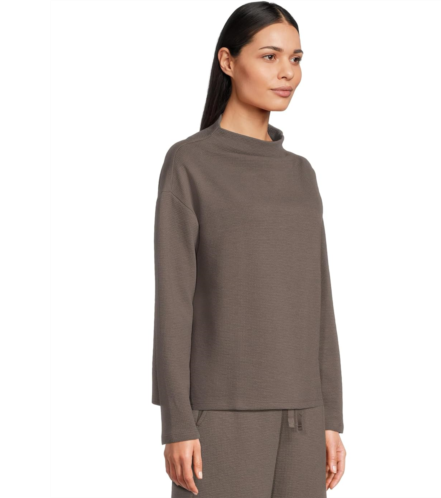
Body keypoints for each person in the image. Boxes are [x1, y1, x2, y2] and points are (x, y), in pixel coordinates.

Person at [152, 2, 346, 496]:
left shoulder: (300, 173)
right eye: (270, 56)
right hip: (220, 417)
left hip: (304, 416)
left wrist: (331, 416)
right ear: (228, 61)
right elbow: (174, 301)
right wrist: (177, 421)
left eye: (296, 59)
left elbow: (318, 299)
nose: (288, 73)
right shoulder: (189, 163)